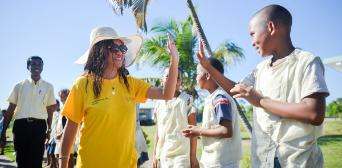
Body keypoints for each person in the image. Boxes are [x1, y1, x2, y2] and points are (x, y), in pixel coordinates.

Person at [196, 4, 329, 168]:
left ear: (271, 27)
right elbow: (235, 89)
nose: (252, 42)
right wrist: (208, 67)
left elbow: (313, 113)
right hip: (263, 161)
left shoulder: (307, 62)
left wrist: (261, 101)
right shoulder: (260, 69)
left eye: (253, 34)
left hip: (296, 161)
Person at [59, 26, 179, 168]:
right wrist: (63, 163)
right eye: (115, 48)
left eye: (123, 48)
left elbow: (167, 94)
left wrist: (174, 61)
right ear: (100, 50)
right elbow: (70, 129)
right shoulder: (83, 84)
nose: (120, 52)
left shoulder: (131, 84)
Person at [182, 58, 242, 168]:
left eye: (198, 73)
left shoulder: (220, 98)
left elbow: (226, 131)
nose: (196, 77)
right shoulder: (212, 98)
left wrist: (198, 131)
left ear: (208, 75)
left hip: (222, 163)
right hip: (215, 161)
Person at [1, 56, 57, 168]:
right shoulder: (18, 86)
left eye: (39, 64)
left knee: (36, 161)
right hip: (20, 126)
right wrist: (3, 131)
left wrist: (49, 129)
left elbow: (50, 110)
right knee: (21, 161)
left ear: (42, 67)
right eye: (34, 64)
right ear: (28, 67)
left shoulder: (48, 87)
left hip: (39, 126)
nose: (37, 66)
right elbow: (10, 109)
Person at [153, 68, 199, 168]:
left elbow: (193, 131)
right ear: (162, 80)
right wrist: (155, 155)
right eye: (168, 76)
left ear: (181, 82)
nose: (173, 79)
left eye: (177, 78)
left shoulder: (187, 100)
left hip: (181, 157)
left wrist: (193, 156)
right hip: (163, 156)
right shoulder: (159, 103)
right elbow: (158, 131)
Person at [46, 100, 60, 168]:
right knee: (50, 153)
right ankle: (52, 166)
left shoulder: (59, 113)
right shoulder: (51, 114)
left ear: (58, 105)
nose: (53, 107)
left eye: (54, 105)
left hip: (56, 137)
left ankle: (55, 166)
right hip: (51, 137)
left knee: (53, 153)